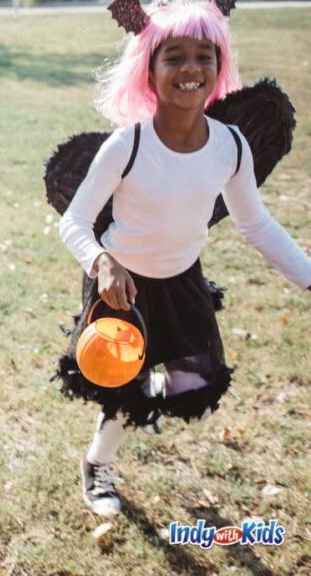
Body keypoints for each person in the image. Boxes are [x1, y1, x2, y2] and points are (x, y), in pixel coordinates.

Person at [54, 0, 311, 517]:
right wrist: (102, 262)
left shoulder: (231, 145)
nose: (190, 68)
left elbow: (256, 224)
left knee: (191, 375)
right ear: (149, 70)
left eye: (204, 55)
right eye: (174, 57)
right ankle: (98, 465)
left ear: (220, 66)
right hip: (121, 288)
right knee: (125, 393)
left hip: (182, 280)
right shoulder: (128, 145)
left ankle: (140, 397)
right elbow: (74, 223)